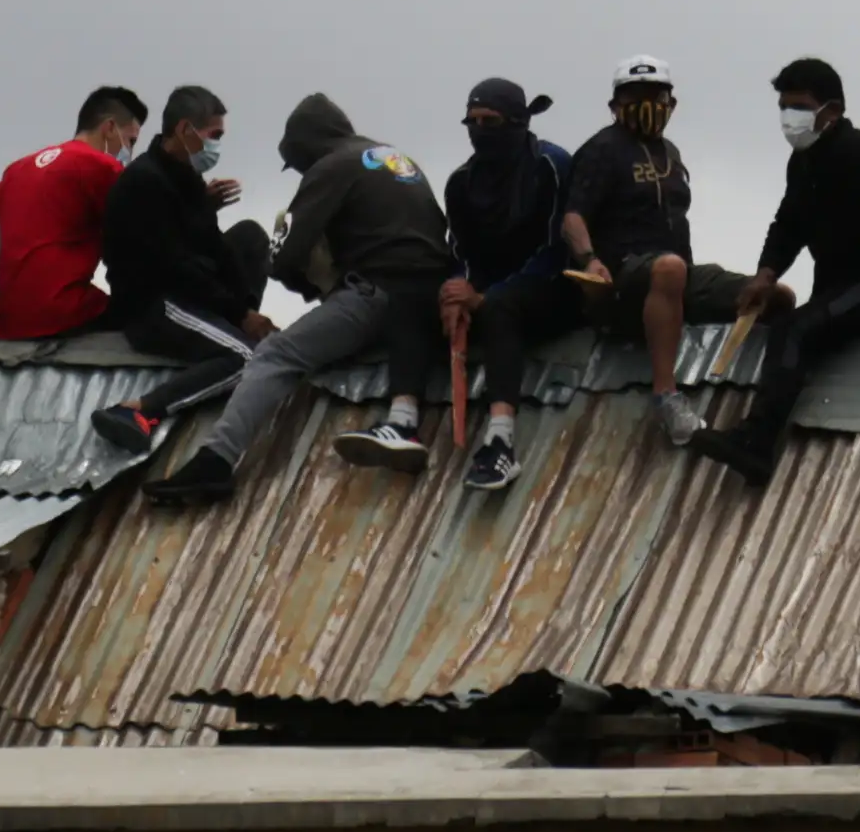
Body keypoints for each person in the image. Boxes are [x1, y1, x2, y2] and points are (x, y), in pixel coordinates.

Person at [146, 92, 455, 504]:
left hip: (376, 293)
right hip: (428, 298)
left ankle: (214, 462)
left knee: (274, 354)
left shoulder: (330, 166)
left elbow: (286, 255)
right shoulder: (395, 159)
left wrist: (312, 289)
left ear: (306, 148)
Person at [696, 58, 860, 487]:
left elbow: (855, 244)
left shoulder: (855, 153)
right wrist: (764, 275)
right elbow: (789, 223)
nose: (789, 118)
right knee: (789, 327)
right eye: (784, 106)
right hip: (844, 284)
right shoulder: (803, 161)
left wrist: (817, 308)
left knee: (795, 332)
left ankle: (757, 442)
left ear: (830, 111)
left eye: (799, 106)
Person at [85, 87, 274, 463]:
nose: (217, 145)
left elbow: (213, 246)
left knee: (250, 236)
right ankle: (139, 408)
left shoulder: (184, 177)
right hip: (156, 305)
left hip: (192, 292)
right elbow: (177, 268)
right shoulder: (145, 182)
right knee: (250, 358)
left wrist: (247, 311)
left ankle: (231, 332)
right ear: (186, 129)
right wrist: (240, 316)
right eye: (214, 135)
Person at [427, 78, 576, 493]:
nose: (479, 130)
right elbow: (458, 251)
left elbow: (554, 250)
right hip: (485, 293)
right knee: (407, 300)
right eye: (471, 122)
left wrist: (484, 298)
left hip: (551, 288)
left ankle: (500, 441)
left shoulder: (551, 164)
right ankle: (403, 420)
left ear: (516, 121)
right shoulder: (461, 182)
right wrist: (455, 292)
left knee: (502, 307)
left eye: (489, 121)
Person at [557, 59, 706, 443]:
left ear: (671, 102)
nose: (647, 105)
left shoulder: (669, 152)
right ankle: (666, 395)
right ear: (615, 102)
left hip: (676, 273)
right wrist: (590, 260)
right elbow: (573, 216)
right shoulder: (602, 149)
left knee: (772, 296)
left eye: (655, 96)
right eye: (635, 96)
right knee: (670, 268)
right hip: (624, 272)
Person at [0, 88, 145, 339]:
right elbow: (143, 231)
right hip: (64, 313)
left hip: (7, 322)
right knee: (153, 318)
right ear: (110, 127)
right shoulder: (104, 167)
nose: (129, 151)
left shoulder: (21, 167)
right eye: (130, 141)